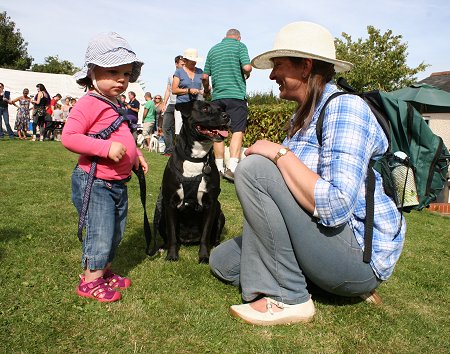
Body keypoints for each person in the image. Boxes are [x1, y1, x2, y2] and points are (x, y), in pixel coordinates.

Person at [209, 21, 406, 326]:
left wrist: (278, 153)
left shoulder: (346, 109)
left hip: (356, 257)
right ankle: (310, 277)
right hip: (324, 239)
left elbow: (336, 205)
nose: (272, 74)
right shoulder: (301, 118)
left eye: (279, 65)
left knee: (256, 169)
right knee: (222, 263)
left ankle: (289, 297)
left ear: (305, 67)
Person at [61, 31, 148, 303]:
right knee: (101, 231)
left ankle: (104, 271)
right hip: (95, 181)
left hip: (116, 182)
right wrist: (105, 149)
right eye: (113, 72)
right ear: (92, 72)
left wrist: (134, 155)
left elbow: (120, 135)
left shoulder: (114, 103)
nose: (122, 79)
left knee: (116, 230)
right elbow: (69, 137)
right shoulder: (89, 103)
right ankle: (90, 281)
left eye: (125, 73)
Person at [202, 28, 252, 182]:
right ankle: (232, 168)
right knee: (237, 130)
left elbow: (204, 76)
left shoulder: (213, 50)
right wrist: (247, 74)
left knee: (219, 131)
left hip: (217, 97)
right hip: (236, 96)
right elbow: (247, 67)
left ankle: (218, 168)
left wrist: (206, 90)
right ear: (238, 37)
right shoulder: (240, 46)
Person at [161, 55, 185, 155]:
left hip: (181, 104)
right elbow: (168, 90)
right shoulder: (171, 77)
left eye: (185, 64)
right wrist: (164, 103)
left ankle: (181, 151)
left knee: (180, 128)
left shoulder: (186, 76)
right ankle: (169, 150)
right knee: (165, 127)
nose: (184, 66)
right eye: (182, 64)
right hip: (171, 104)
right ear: (176, 64)